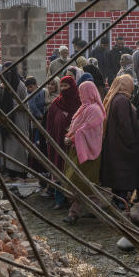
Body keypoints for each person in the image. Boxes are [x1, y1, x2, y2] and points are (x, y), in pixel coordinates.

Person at [64, 81, 105, 222]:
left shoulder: (95, 110)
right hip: (79, 150)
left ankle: (74, 213)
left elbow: (86, 130)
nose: (81, 95)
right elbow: (76, 127)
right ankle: (96, 209)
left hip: (89, 152)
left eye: (82, 92)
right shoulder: (83, 108)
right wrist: (69, 136)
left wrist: (73, 138)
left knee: (80, 182)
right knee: (83, 183)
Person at [100, 75, 139, 206]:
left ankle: (116, 198)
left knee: (116, 172)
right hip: (122, 144)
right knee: (123, 172)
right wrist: (132, 142)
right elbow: (125, 124)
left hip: (113, 142)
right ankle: (122, 200)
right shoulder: (122, 100)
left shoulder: (113, 98)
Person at [0, 62, 30, 179]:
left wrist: (13, 104)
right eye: (5, 71)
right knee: (4, 145)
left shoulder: (20, 86)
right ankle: (5, 168)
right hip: (3, 119)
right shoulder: (0, 83)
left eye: (10, 71)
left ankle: (19, 170)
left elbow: (25, 105)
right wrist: (1, 87)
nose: (8, 74)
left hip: (18, 120)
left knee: (17, 146)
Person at [46, 75, 80, 209]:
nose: (63, 88)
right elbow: (49, 122)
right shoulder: (56, 103)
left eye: (66, 86)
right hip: (57, 142)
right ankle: (59, 199)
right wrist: (49, 138)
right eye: (62, 86)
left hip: (72, 144)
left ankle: (73, 200)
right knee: (58, 168)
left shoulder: (79, 102)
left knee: (71, 169)